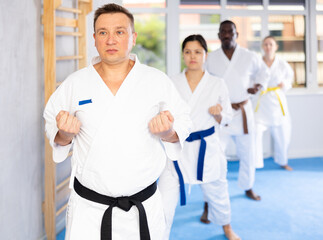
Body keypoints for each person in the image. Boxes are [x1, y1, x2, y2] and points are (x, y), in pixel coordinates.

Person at [43, 4, 192, 240]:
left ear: (133, 38)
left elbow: (184, 121)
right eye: (103, 32)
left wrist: (168, 133)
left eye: (120, 32)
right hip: (89, 211)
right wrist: (65, 134)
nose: (111, 39)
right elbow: (53, 128)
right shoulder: (76, 83)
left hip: (143, 208)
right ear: (94, 39)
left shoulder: (156, 81)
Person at [158, 34, 240, 240]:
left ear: (205, 55)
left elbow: (228, 117)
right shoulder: (171, 82)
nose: (192, 56)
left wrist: (218, 114)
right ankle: (159, 234)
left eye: (197, 52)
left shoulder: (217, 83)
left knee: (218, 190)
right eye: (187, 52)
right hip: (178, 147)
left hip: (207, 147)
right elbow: (163, 112)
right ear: (183, 55)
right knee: (164, 199)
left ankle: (227, 227)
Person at [203, 20, 269, 216]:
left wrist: (258, 86)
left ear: (236, 34)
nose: (226, 34)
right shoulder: (211, 58)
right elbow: (205, 80)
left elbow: (263, 73)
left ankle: (247, 186)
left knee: (248, 152)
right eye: (222, 31)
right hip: (221, 113)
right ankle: (209, 200)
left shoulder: (249, 56)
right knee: (214, 157)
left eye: (230, 31)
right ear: (218, 34)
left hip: (243, 111)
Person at [254, 36, 294, 170]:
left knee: (283, 133)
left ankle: (283, 161)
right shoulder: (257, 63)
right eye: (265, 44)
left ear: (276, 47)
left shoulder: (282, 64)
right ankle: (256, 162)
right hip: (262, 101)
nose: (268, 47)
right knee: (255, 132)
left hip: (277, 101)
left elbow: (290, 79)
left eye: (271, 44)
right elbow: (250, 79)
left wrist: (285, 84)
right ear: (262, 47)